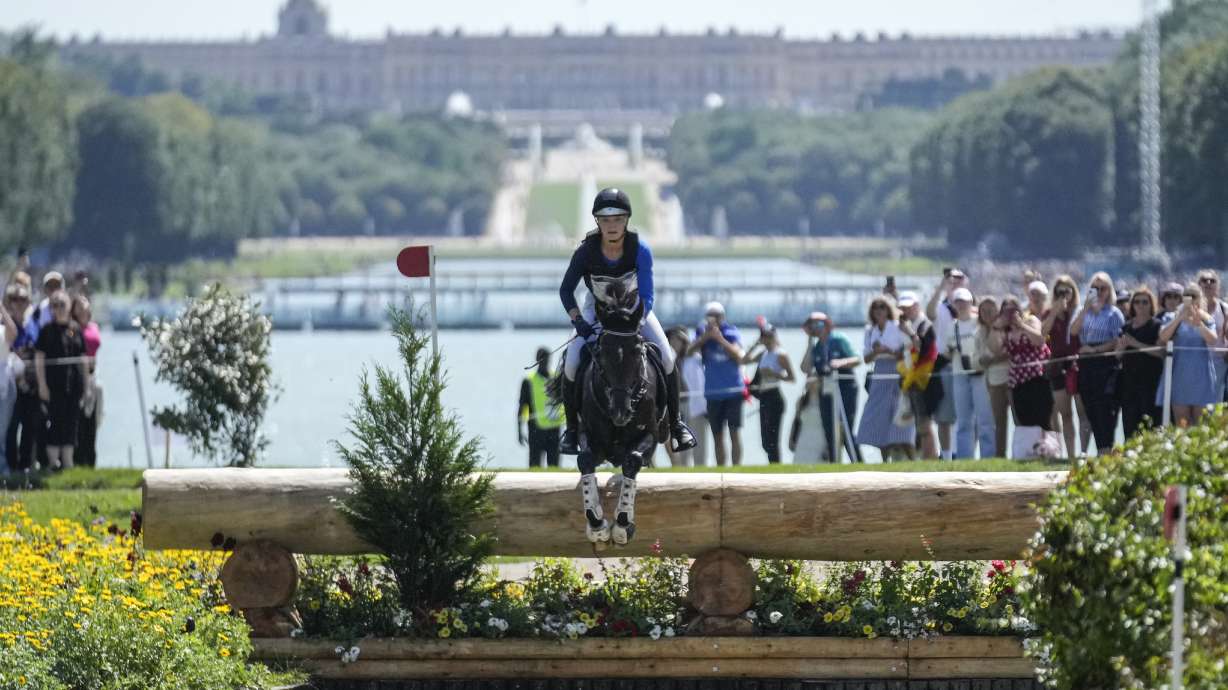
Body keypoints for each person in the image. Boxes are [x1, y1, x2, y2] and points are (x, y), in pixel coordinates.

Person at [557, 188, 696, 455]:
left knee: (667, 357)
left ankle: (677, 425)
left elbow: (647, 294)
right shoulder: (585, 252)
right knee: (572, 361)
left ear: (627, 220)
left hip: (635, 310)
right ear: (597, 221)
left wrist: (637, 320)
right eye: (605, 220)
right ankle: (572, 430)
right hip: (596, 311)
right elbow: (566, 291)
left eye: (617, 219)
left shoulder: (640, 250)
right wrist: (578, 322)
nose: (612, 226)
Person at [1070, 272, 1125, 454]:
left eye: (1103, 288)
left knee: (1105, 411)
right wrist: (1086, 308)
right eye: (1096, 288)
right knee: (1090, 409)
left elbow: (1117, 339)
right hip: (1087, 366)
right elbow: (1074, 331)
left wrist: (1095, 350)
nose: (1100, 292)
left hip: (1105, 364)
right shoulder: (1083, 311)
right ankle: (1092, 451)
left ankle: (1106, 449)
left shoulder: (1114, 313)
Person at [34, 291, 89, 471]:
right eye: (54, 305)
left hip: (73, 386)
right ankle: (52, 463)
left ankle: (68, 463)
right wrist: (42, 385)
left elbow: (83, 359)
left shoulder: (76, 329)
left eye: (62, 305)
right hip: (53, 386)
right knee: (55, 423)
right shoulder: (46, 331)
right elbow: (39, 359)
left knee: (71, 424)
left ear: (68, 307)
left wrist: (86, 386)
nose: (58, 309)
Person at [856, 296, 914, 461]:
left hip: (896, 372)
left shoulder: (896, 327)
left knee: (899, 416)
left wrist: (887, 350)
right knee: (879, 416)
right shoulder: (870, 331)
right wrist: (877, 351)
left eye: (882, 307)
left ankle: (911, 458)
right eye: (875, 307)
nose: (879, 311)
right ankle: (884, 460)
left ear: (888, 309)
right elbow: (866, 358)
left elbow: (906, 351)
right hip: (879, 373)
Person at [687, 302, 745, 466]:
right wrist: (705, 338)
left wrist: (719, 339)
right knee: (717, 435)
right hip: (712, 393)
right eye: (710, 316)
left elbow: (739, 356)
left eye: (717, 316)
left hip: (733, 391)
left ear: (723, 316)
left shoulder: (731, 332)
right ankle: (721, 469)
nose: (713, 319)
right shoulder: (701, 332)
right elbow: (689, 352)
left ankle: (737, 468)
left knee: (734, 433)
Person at [799, 311, 861, 462]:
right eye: (812, 325)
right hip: (826, 390)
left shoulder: (838, 339)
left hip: (846, 387)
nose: (815, 327)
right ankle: (834, 463)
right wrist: (809, 342)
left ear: (827, 324)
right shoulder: (817, 347)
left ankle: (857, 462)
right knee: (829, 428)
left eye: (818, 323)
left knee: (845, 426)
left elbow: (857, 359)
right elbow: (805, 368)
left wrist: (840, 363)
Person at [942, 287, 994, 459]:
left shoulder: (980, 323)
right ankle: (965, 457)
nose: (962, 305)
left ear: (971, 302)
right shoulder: (951, 326)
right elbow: (945, 353)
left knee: (984, 418)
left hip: (979, 372)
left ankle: (989, 456)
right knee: (963, 420)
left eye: (964, 301)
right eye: (958, 302)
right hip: (959, 373)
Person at [1156, 284, 1219, 426]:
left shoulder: (1206, 318)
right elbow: (1163, 337)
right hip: (1180, 375)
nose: (1190, 299)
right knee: (1182, 423)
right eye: (1187, 296)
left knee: (1202, 423)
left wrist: (1199, 324)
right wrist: (1179, 318)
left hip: (1201, 376)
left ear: (1200, 299)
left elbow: (1213, 340)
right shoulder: (1171, 317)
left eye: (1193, 296)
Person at [1041, 275, 1089, 459]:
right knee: (1065, 414)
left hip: (1076, 365)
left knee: (1082, 411)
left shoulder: (1078, 312)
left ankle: (1081, 453)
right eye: (1059, 292)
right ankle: (1068, 455)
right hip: (1057, 365)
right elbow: (1042, 333)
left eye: (1067, 291)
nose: (1064, 295)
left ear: (1073, 292)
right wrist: (1054, 312)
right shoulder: (1049, 313)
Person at [997, 295, 1054, 437]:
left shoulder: (1031, 320)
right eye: (1006, 311)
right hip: (1017, 380)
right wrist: (996, 326)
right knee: (1023, 419)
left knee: (1042, 417)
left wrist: (1021, 325)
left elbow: (1040, 340)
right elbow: (995, 348)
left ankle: (1048, 449)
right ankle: (1029, 451)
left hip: (1037, 376)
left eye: (1013, 309)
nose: (1010, 314)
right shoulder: (1005, 330)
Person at [925, 269, 965, 460]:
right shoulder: (942, 309)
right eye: (951, 279)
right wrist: (942, 286)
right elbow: (929, 311)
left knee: (966, 416)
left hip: (968, 366)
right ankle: (947, 456)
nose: (954, 282)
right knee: (945, 416)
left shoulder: (971, 307)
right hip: (946, 365)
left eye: (959, 279)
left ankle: (965, 453)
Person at [742, 320, 795, 463]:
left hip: (775, 396)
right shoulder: (763, 354)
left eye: (769, 336)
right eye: (764, 336)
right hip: (764, 397)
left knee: (773, 439)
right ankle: (773, 465)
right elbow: (744, 361)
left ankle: (776, 466)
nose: (767, 339)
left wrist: (774, 374)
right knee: (765, 440)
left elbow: (792, 378)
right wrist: (755, 345)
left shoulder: (780, 354)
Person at [1116, 287, 1163, 438]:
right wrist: (1121, 347)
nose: (1141, 305)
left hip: (1151, 383)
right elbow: (1117, 356)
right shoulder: (1126, 327)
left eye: (1145, 302)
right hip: (1129, 383)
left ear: (1151, 304)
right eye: (1137, 302)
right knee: (1130, 427)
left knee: (1150, 425)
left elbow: (1161, 352)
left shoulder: (1157, 325)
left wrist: (1136, 344)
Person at [901, 291, 940, 459]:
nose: (905, 311)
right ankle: (928, 456)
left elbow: (921, 346)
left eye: (908, 307)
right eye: (903, 308)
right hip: (913, 377)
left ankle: (930, 457)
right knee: (921, 422)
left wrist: (909, 332)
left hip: (924, 379)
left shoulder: (924, 325)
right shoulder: (913, 324)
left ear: (917, 306)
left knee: (924, 423)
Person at [975, 297, 1011, 457]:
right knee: (999, 422)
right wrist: (991, 360)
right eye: (983, 311)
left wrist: (992, 360)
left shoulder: (1006, 327)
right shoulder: (980, 332)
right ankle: (1000, 455)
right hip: (993, 381)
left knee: (1019, 419)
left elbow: (1007, 353)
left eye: (991, 310)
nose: (987, 314)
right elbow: (978, 359)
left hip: (1012, 377)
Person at [518, 347, 564, 468]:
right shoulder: (528, 380)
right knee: (535, 465)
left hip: (554, 427)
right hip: (535, 428)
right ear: (537, 360)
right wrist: (519, 430)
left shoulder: (556, 378)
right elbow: (522, 405)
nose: (545, 362)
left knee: (554, 466)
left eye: (547, 359)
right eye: (542, 359)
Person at [667, 327, 706, 467]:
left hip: (695, 404)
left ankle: (700, 467)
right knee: (682, 438)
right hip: (679, 404)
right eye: (671, 339)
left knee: (698, 438)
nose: (673, 342)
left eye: (676, 339)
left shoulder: (693, 358)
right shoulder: (672, 358)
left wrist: (686, 339)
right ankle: (684, 468)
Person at [72, 296, 102, 468]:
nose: (83, 310)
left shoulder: (94, 327)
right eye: (80, 307)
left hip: (93, 376)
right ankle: (79, 461)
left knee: (92, 420)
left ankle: (91, 462)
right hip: (77, 378)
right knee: (80, 422)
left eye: (86, 306)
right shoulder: (73, 328)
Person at [1196, 269, 1228, 401]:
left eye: (1212, 281)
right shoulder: (1191, 309)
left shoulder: (1225, 309)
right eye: (1204, 280)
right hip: (1195, 362)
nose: (1208, 283)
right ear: (1198, 285)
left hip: (1219, 364)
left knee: (1215, 404)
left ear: (1218, 286)